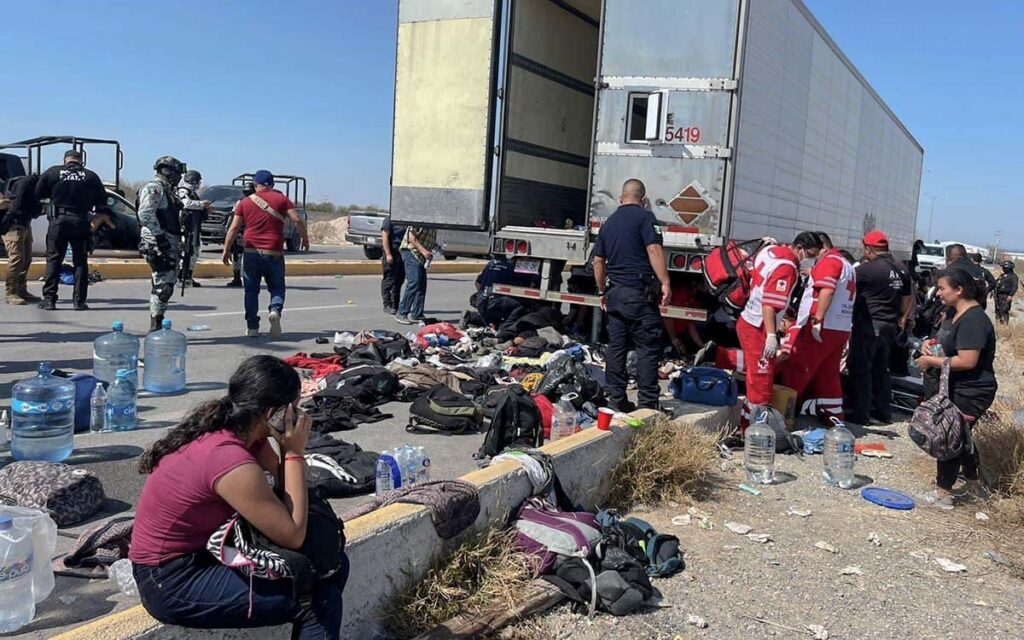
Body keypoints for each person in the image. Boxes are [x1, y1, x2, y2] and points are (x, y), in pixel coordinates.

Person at [130, 356, 348, 638]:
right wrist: (293, 452)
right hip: (168, 580)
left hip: (201, 553)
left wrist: (287, 450)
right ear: (273, 413)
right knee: (318, 602)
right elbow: (292, 534)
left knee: (333, 566)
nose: (297, 416)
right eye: (293, 409)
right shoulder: (228, 458)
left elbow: (286, 487)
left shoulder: (242, 432)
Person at [914, 268, 997, 509]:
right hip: (953, 385)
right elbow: (946, 343)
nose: (938, 293)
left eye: (942, 288)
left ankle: (943, 494)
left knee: (948, 436)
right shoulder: (952, 312)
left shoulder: (974, 320)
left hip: (973, 389)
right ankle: (975, 482)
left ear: (959, 290)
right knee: (962, 436)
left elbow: (968, 361)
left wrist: (930, 362)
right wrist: (931, 347)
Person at [592, 178, 671, 412]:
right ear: (643, 200)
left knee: (616, 347)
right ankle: (647, 405)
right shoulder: (645, 218)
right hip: (639, 295)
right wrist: (665, 281)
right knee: (647, 348)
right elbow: (654, 249)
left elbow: (598, 262)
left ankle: (616, 400)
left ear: (620, 198)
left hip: (615, 294)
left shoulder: (608, 223)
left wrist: (602, 291)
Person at [735, 232, 822, 429]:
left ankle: (745, 425)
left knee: (753, 377)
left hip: (748, 317)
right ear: (799, 248)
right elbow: (769, 304)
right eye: (809, 254)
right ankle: (755, 430)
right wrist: (772, 336)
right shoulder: (787, 267)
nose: (810, 260)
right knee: (762, 382)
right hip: (759, 325)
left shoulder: (771, 251)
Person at [223, 170, 309, 338]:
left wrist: (226, 249)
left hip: (251, 252)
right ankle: (275, 309)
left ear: (256, 184)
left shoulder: (245, 202)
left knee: (251, 291)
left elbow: (233, 228)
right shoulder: (282, 199)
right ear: (273, 184)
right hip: (274, 252)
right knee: (277, 287)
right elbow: (297, 219)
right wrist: (305, 239)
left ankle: (253, 327)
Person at [779, 232, 855, 421]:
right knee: (828, 374)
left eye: (814, 254)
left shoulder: (829, 262)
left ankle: (781, 411)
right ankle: (835, 415)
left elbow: (826, 290)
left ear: (822, 248)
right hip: (840, 327)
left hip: (823, 327)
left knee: (798, 367)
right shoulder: (846, 264)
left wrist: (817, 320)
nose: (811, 258)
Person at [845, 230, 913, 425]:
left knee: (860, 368)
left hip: (870, 324)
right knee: (881, 369)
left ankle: (861, 413)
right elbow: (907, 298)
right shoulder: (901, 268)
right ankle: (883, 412)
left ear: (869, 249)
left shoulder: (867, 270)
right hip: (890, 326)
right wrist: (902, 318)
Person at [35, 149, 111, 311]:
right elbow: (103, 202)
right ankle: (79, 301)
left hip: (58, 221)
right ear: (81, 161)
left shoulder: (53, 172)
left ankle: (49, 300)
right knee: (80, 262)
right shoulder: (91, 176)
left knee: (54, 260)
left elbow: (38, 193)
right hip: (81, 221)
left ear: (65, 160)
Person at [138, 157, 187, 332]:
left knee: (166, 283)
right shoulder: (154, 188)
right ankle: (156, 326)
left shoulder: (168, 190)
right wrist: (160, 239)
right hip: (158, 242)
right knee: (163, 285)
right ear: (168, 171)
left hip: (168, 241)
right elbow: (145, 214)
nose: (179, 177)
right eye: (177, 173)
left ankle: (158, 321)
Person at [2, 174, 42, 305]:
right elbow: (15, 205)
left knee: (26, 258)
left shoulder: (31, 186)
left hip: (24, 223)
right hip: (13, 224)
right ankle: (11, 292)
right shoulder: (23, 185)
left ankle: (21, 289)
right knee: (17, 258)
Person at [394, 225, 437, 325]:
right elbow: (411, 237)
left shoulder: (435, 222)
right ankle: (402, 312)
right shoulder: (420, 219)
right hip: (411, 252)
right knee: (414, 282)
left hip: (421, 256)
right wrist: (424, 252)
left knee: (421, 284)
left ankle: (417, 314)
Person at [176, 170, 210, 288]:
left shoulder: (193, 193)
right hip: (186, 228)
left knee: (193, 253)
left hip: (194, 228)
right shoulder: (183, 191)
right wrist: (201, 204)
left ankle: (188, 276)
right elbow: (186, 203)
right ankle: (181, 277)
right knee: (185, 252)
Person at [944, 244, 993, 310]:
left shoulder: (950, 270)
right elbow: (992, 283)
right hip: (978, 308)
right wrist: (987, 291)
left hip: (956, 310)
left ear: (948, 258)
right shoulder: (981, 271)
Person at [226, 184, 254, 288]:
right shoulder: (240, 203)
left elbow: (233, 219)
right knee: (238, 256)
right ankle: (238, 278)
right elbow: (233, 217)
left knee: (241, 257)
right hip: (243, 233)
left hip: (246, 233)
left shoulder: (241, 202)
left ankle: (240, 278)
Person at [380, 216, 405, 314]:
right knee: (389, 280)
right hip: (392, 251)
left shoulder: (405, 219)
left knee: (399, 280)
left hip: (403, 253)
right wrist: (388, 254)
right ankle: (387, 304)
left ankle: (395, 305)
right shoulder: (389, 219)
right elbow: (384, 236)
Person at [993, 260, 1018, 325]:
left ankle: (1005, 324)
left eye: (1004, 267)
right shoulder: (1002, 275)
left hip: (1006, 296)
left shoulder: (1013, 276)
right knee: (998, 310)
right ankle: (998, 324)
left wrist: (1010, 295)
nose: (1003, 269)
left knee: (1004, 310)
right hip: (998, 295)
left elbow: (1015, 287)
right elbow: (997, 283)